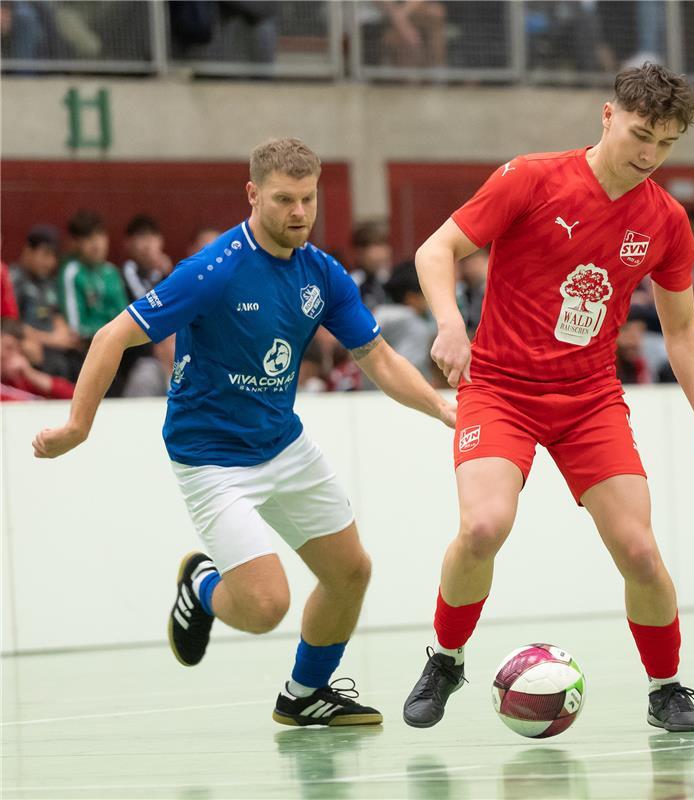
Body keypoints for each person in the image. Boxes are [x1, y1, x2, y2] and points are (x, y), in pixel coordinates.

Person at [33, 137, 455, 728]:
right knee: (264, 607)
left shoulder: (322, 273)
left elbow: (379, 358)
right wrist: (78, 427)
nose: (300, 213)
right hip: (211, 457)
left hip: (282, 442)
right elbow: (110, 337)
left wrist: (442, 408)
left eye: (308, 199)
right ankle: (202, 585)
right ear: (253, 195)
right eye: (284, 200)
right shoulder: (213, 270)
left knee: (350, 572)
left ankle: (304, 694)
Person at [402, 63, 694, 734]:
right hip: (500, 388)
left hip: (590, 399)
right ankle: (447, 659)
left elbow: (682, 328)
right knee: (483, 527)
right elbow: (437, 250)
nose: (650, 155)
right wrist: (451, 323)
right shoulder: (530, 178)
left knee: (639, 551)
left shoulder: (666, 221)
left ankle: (666, 689)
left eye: (666, 144)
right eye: (640, 135)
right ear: (608, 115)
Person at [10, 225, 84, 382]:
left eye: (53, 256)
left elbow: (56, 314)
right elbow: (12, 323)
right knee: (55, 364)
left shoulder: (49, 283)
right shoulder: (15, 279)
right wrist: (51, 339)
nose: (49, 262)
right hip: (31, 343)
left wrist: (65, 335)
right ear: (28, 251)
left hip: (54, 345)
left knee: (82, 359)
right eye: (45, 254)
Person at [59, 210, 128, 341]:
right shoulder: (72, 272)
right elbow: (75, 327)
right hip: (89, 344)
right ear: (76, 243)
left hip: (118, 341)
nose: (96, 244)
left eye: (100, 236)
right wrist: (110, 333)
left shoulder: (112, 272)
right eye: (88, 238)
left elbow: (125, 317)